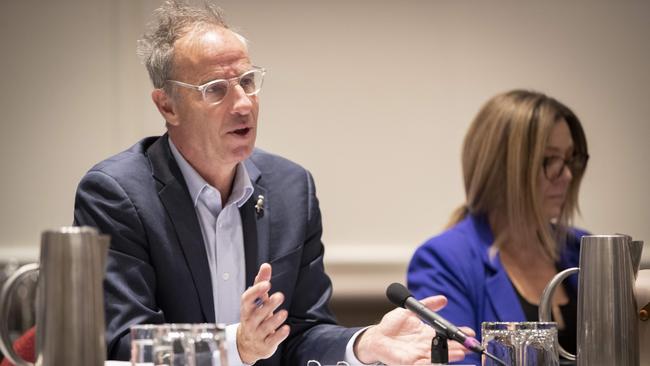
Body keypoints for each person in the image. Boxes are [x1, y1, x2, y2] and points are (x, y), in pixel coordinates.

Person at [73, 1, 471, 365]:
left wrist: (362, 344)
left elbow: (302, 332)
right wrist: (236, 346)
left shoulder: (291, 189)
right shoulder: (116, 194)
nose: (243, 103)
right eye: (215, 89)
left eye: (247, 81)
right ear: (167, 106)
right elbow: (123, 342)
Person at [407, 90, 589, 365]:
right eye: (550, 160)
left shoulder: (583, 249)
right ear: (503, 168)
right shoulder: (444, 261)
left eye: (570, 159)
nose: (567, 175)